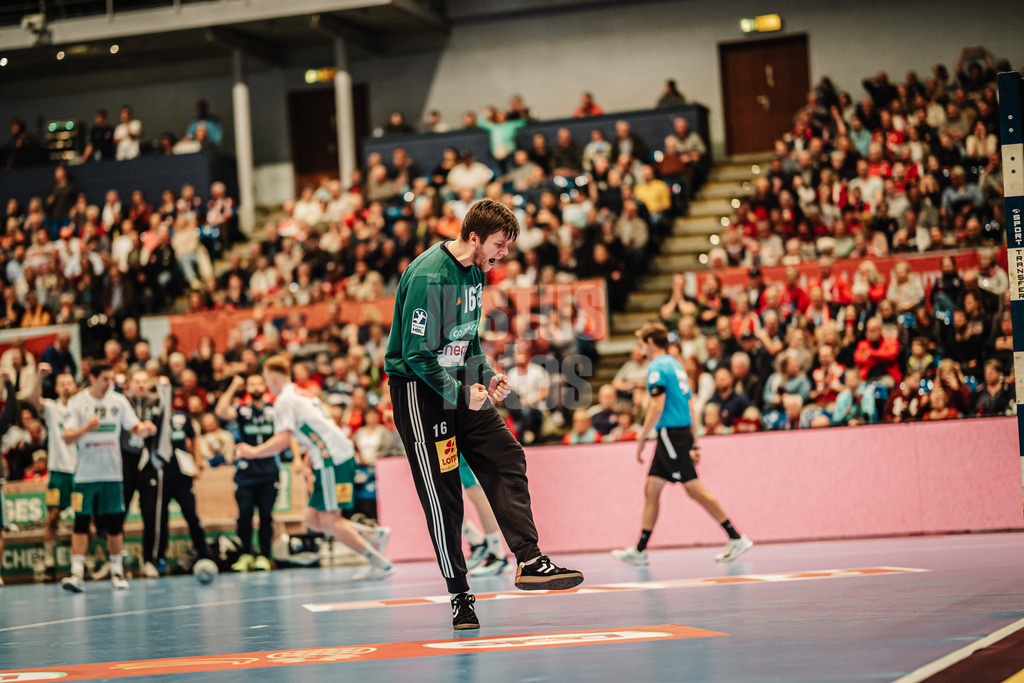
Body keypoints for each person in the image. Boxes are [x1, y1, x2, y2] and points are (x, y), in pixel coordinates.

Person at [383, 198, 583, 631]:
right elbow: (417, 354)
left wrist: (486, 375)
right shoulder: (428, 276)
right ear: (473, 237)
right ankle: (459, 593)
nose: (503, 254)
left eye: (507, 247)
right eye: (499, 245)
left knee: (507, 456)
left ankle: (529, 559)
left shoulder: (475, 272)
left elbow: (466, 341)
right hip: (421, 394)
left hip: (461, 387)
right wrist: (458, 391)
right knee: (444, 495)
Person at [235, 357, 394, 581]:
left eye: (264, 379)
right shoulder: (302, 393)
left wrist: (253, 452)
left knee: (330, 520)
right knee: (312, 519)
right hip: (334, 457)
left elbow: (282, 441)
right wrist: (309, 462)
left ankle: (379, 561)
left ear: (271, 377)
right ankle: (374, 534)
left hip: (332, 460)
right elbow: (317, 430)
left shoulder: (284, 401)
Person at [612, 322, 752, 566]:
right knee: (652, 489)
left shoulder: (657, 367)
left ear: (650, 342)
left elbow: (656, 406)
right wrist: (694, 441)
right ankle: (640, 549)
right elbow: (690, 406)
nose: (640, 348)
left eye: (641, 343)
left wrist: (642, 438)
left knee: (693, 489)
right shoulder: (677, 366)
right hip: (679, 433)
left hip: (670, 435)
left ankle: (736, 536)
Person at [61, 361, 157, 593]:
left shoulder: (119, 401)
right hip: (85, 475)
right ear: (92, 378)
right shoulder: (77, 403)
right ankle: (77, 574)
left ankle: (117, 572)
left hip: (112, 474)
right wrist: (85, 428)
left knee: (115, 524)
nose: (109, 383)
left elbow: (134, 427)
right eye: (105, 379)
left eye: (111, 379)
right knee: (81, 523)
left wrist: (145, 428)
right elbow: (67, 437)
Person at [216, 374, 280, 572]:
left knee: (266, 516)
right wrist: (234, 386)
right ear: (247, 389)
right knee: (244, 514)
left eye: (259, 383)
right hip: (245, 473)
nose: (255, 386)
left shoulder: (274, 410)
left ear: (265, 386)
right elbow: (220, 411)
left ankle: (264, 555)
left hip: (269, 471)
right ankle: (245, 554)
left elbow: (287, 435)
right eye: (251, 383)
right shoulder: (242, 410)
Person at [31, 363, 78, 582]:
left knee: (84, 518)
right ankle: (50, 563)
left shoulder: (82, 408)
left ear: (75, 387)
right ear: (57, 388)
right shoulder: (51, 408)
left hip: (80, 472)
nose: (66, 387)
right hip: (58, 472)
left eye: (69, 383)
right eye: (62, 384)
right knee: (53, 516)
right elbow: (34, 401)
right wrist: (39, 377)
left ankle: (82, 564)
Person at [459, 460, 510, 577]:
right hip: (434, 445)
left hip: (458, 445)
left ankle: (498, 554)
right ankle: (476, 539)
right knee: (439, 493)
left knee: (474, 489)